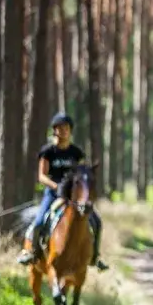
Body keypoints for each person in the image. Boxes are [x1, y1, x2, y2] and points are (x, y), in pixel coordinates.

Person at [17, 112, 108, 271]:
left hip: (73, 197)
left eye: (67, 128)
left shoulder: (76, 152)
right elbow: (41, 176)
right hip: (53, 195)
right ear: (55, 130)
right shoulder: (48, 151)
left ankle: (95, 256)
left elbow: (82, 173)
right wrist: (55, 186)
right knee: (39, 222)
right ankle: (33, 252)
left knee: (97, 222)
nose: (64, 131)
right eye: (61, 128)